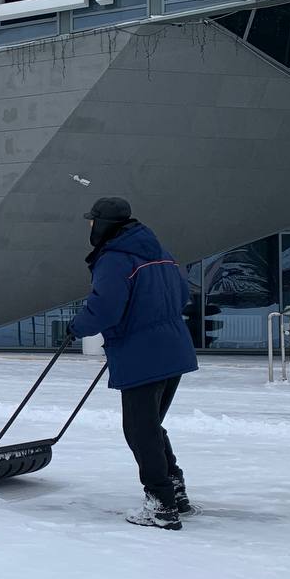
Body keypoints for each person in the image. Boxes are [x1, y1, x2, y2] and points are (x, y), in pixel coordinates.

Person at [68, 197, 198, 531]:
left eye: (91, 221)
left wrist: (75, 327)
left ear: (103, 225)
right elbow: (183, 293)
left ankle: (161, 505)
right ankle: (175, 491)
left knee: (140, 430)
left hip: (144, 353)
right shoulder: (159, 252)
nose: (90, 228)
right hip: (174, 348)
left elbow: (105, 308)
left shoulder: (115, 259)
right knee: (150, 425)